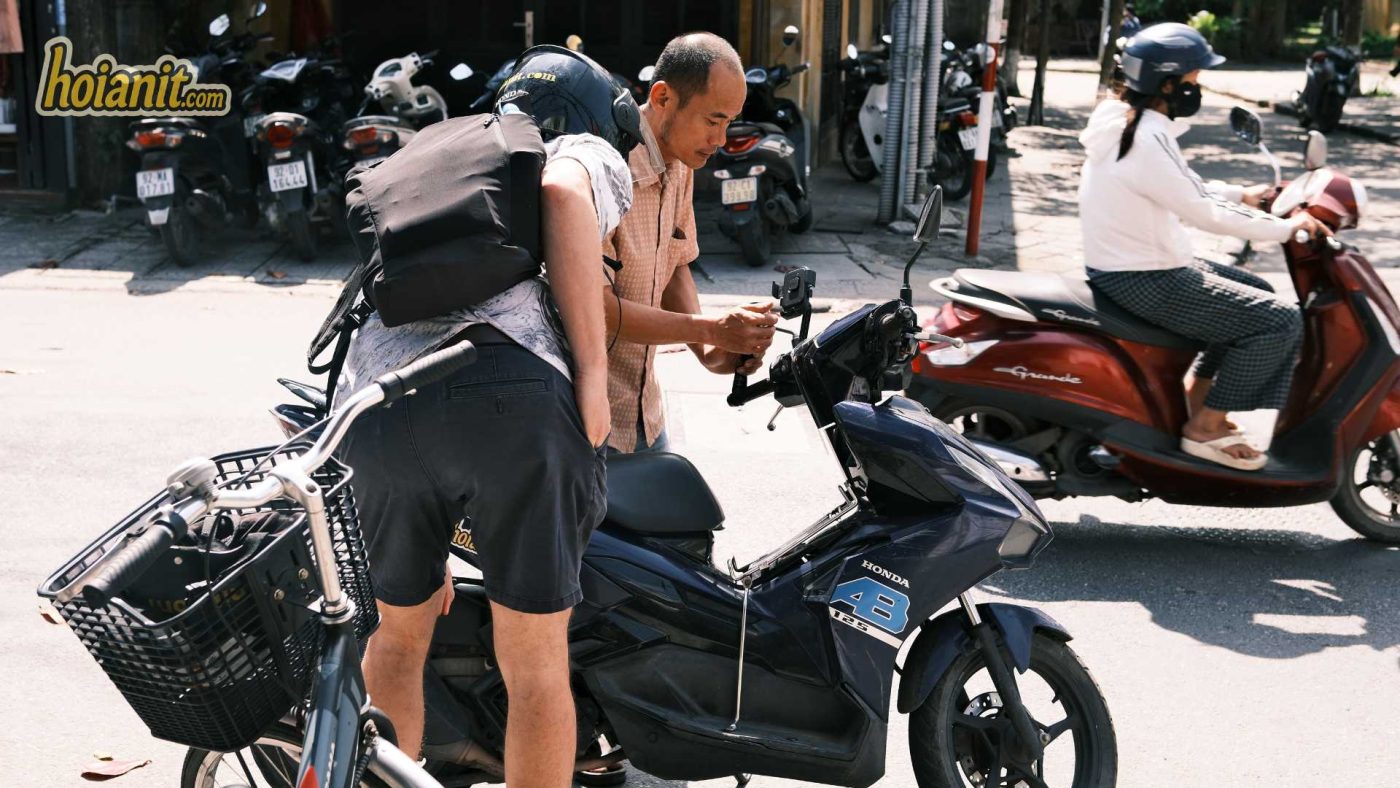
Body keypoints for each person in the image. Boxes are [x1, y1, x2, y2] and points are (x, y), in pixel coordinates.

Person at [337, 46, 658, 785]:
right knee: (535, 662)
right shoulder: (579, 147)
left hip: (380, 404)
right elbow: (566, 197)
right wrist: (589, 375)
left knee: (396, 637)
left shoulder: (446, 148)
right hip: (507, 395)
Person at [1077, 22, 1332, 471]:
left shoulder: (1125, 122)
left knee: (1258, 290)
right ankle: (1204, 428)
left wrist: (1244, 196)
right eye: (1194, 82)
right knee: (1279, 321)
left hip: (1134, 265)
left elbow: (1181, 188)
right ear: (1168, 83)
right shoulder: (1145, 139)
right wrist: (1287, 228)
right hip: (1147, 276)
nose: (1199, 90)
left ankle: (1202, 402)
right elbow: (1202, 213)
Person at [601, 32, 780, 455]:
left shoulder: (680, 164)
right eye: (713, 120)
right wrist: (712, 328)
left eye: (729, 123)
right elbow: (596, 307)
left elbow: (675, 263)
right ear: (662, 98)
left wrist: (713, 351)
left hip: (643, 411)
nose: (720, 140)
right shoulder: (603, 169)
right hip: (582, 419)